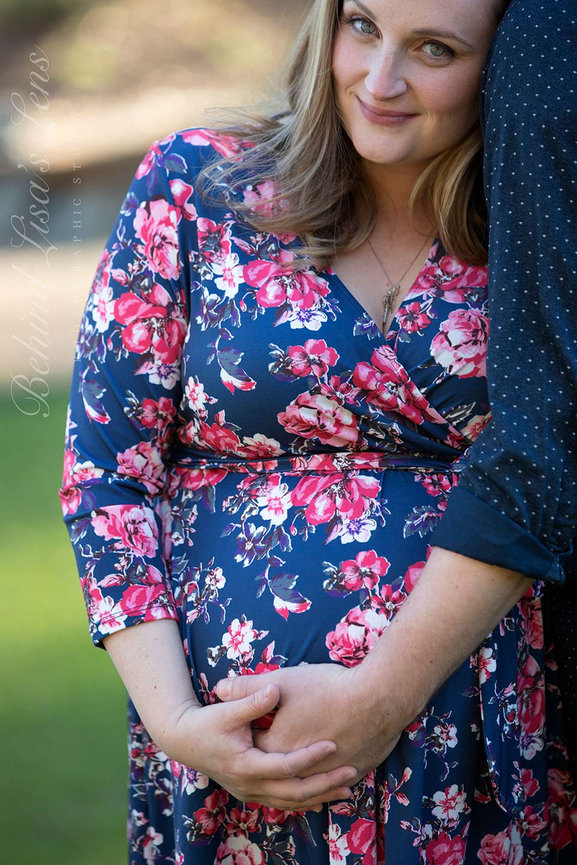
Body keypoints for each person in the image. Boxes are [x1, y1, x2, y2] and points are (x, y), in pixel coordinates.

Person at [57, 1, 576, 864]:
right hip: (229, 752)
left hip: (467, 740)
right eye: (361, 25)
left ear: (502, 70)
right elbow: (107, 472)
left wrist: (386, 694)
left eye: (434, 50)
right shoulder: (198, 186)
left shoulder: (531, 232)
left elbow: (549, 458)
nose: (379, 80)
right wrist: (176, 720)